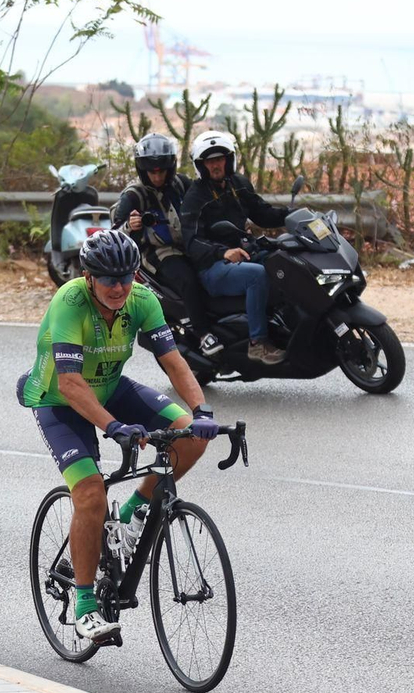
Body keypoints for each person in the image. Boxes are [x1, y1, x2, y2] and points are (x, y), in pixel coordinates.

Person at [16, 229, 219, 643]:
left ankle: (132, 511)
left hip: (110, 386)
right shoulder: (70, 302)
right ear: (89, 277)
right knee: (90, 493)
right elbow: (71, 384)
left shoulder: (141, 300)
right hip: (58, 400)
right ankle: (85, 606)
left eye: (126, 277)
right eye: (108, 279)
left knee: (191, 435)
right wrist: (112, 427)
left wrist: (202, 410)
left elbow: (174, 363)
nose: (119, 287)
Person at [179, 130, 289, 365]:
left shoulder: (238, 184)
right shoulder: (195, 197)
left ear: (229, 160)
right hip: (212, 267)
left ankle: (285, 325)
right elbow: (191, 241)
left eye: (220, 159)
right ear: (202, 165)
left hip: (244, 252)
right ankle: (257, 343)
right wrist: (223, 252)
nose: (216, 165)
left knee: (283, 260)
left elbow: (262, 213)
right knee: (257, 275)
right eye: (210, 161)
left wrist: (293, 216)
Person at [110, 133, 211, 334]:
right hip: (158, 253)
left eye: (161, 172)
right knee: (187, 279)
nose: (157, 177)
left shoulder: (181, 184)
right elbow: (114, 235)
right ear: (142, 170)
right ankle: (203, 334)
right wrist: (131, 226)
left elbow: (207, 204)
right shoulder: (133, 195)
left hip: (190, 245)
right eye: (151, 172)